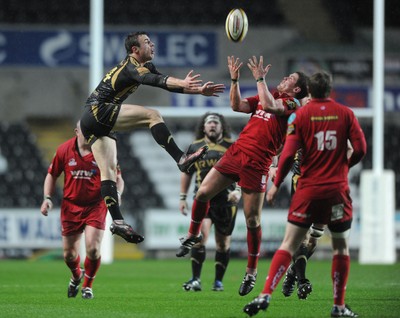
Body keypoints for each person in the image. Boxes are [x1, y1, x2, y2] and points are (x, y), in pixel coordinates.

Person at [176, 55, 309, 297]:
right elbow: (237, 106)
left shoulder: (292, 105)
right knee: (203, 192)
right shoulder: (265, 95)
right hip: (237, 152)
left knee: (252, 221)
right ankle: (193, 234)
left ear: (297, 89)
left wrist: (260, 78)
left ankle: (251, 272)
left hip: (258, 163)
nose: (285, 78)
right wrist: (235, 80)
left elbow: (269, 106)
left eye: (291, 78)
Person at [79, 31, 225, 244]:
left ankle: (118, 221)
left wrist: (199, 91)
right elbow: (153, 80)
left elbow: (164, 83)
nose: (152, 45)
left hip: (91, 121)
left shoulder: (141, 66)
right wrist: (185, 83)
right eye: (147, 42)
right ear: (135, 50)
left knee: (108, 172)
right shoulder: (131, 67)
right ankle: (180, 158)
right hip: (97, 111)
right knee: (152, 115)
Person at [243, 71, 366, 317]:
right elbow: (360, 149)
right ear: (330, 90)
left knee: (289, 244)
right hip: (337, 191)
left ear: (310, 91)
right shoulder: (345, 114)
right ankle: (338, 306)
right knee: (340, 248)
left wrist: (276, 184)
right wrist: (345, 167)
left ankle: (265, 294)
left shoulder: (300, 116)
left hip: (307, 189)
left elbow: (287, 155)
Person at [40, 121, 124, 299]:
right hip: (71, 206)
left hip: (96, 205)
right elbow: (52, 174)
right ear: (76, 131)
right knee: (69, 255)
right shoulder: (64, 150)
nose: (88, 133)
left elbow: (117, 177)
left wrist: (117, 192)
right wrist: (47, 198)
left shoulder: (103, 149)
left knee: (93, 249)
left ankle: (87, 286)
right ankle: (77, 276)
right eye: (84, 130)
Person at [180, 112, 241, 292]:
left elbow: (243, 169)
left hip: (226, 201)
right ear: (204, 127)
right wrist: (182, 197)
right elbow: (186, 171)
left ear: (222, 126)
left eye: (216, 122)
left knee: (223, 244)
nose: (212, 125)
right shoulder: (195, 146)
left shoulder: (232, 146)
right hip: (203, 199)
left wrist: (238, 190)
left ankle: (218, 282)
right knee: (200, 238)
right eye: (209, 123)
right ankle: (195, 279)